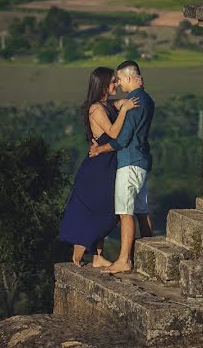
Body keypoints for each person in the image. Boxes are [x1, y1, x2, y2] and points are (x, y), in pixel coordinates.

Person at [58, 67, 141, 267]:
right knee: (105, 207)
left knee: (112, 208)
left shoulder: (109, 105)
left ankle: (97, 257)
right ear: (103, 84)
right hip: (98, 168)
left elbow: (128, 100)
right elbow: (113, 132)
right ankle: (80, 248)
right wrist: (125, 110)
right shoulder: (96, 109)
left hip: (109, 164)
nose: (116, 85)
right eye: (113, 82)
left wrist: (134, 90)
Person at [89, 60, 154, 274]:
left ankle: (124, 260)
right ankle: (150, 255)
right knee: (142, 212)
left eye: (119, 80)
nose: (118, 84)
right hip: (142, 161)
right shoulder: (147, 99)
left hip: (129, 162)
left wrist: (99, 150)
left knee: (126, 213)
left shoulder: (134, 101)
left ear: (127, 78)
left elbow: (122, 140)